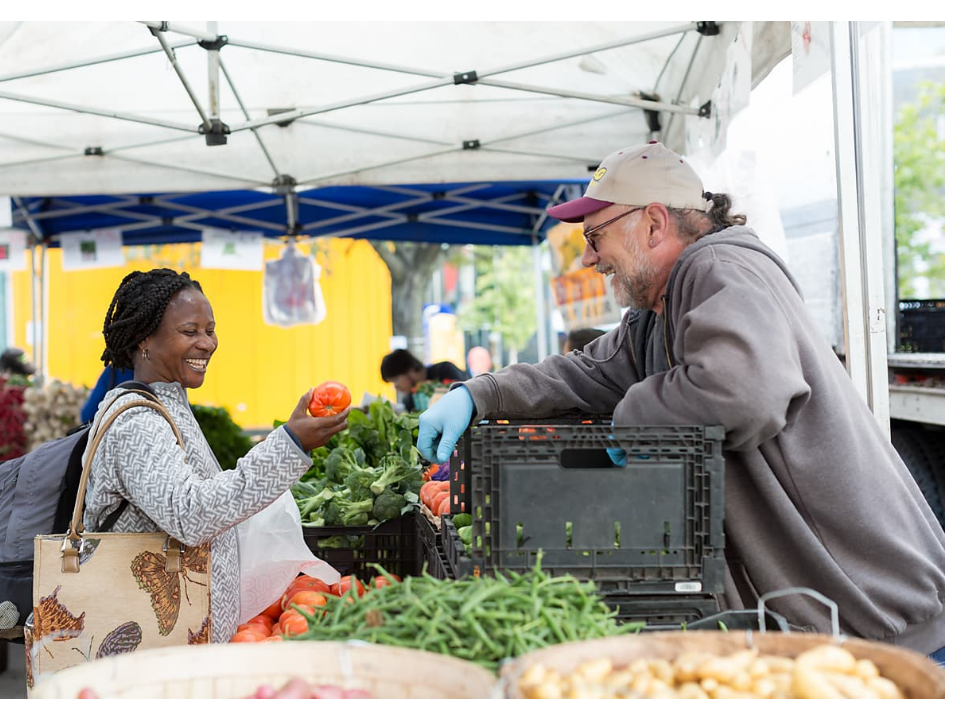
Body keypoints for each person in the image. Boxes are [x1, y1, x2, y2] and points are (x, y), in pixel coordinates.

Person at [415, 142, 945, 660]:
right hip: (826, 626)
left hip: (877, 622)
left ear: (653, 223)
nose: (589, 257)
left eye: (595, 235)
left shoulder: (717, 266)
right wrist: (479, 394)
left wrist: (630, 421)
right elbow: (585, 371)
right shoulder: (655, 315)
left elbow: (743, 391)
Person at [81, 268, 349, 643]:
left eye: (210, 330)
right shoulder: (137, 423)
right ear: (144, 339)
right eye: (190, 331)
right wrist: (289, 443)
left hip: (178, 642)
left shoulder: (166, 404)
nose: (207, 343)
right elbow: (190, 514)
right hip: (150, 650)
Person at [380, 348, 469, 412]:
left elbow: (466, 395)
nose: (396, 386)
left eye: (395, 380)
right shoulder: (409, 401)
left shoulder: (444, 370)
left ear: (410, 369)